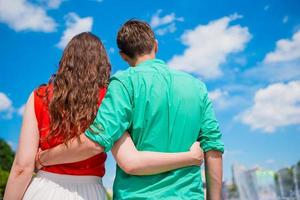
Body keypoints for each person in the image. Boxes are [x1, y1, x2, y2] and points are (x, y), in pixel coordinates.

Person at [36, 19, 224, 200]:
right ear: (155, 45)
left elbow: (95, 142)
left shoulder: (123, 84)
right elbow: (213, 148)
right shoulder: (197, 87)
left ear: (123, 56)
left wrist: (43, 157)